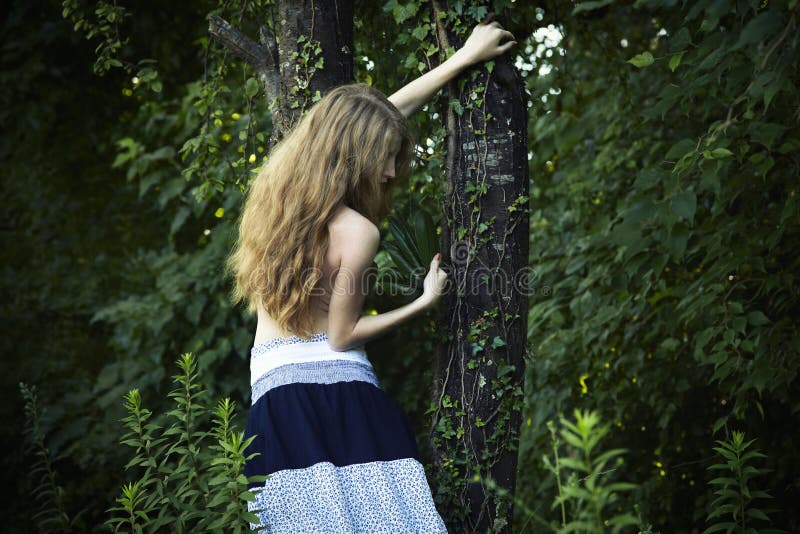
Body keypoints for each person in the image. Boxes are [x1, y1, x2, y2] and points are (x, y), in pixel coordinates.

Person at [225, 18, 516, 534]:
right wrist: (423, 303)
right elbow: (340, 336)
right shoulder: (357, 231)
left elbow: (377, 118)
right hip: (341, 400)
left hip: (274, 401)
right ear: (358, 153)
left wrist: (462, 59)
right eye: (386, 159)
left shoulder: (275, 197)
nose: (390, 172)